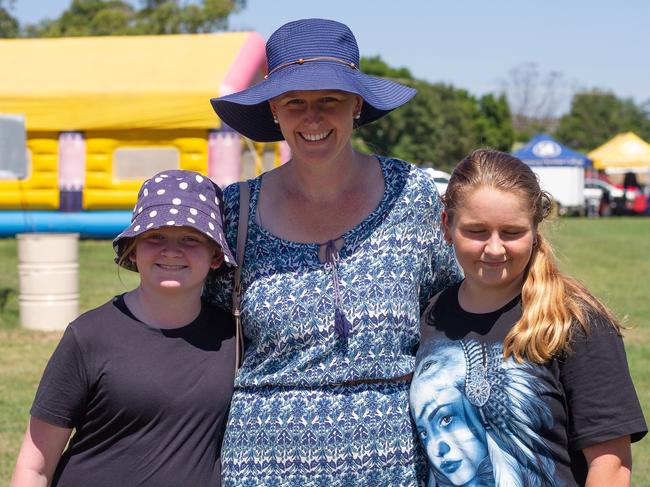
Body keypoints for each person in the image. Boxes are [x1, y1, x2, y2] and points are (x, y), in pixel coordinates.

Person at [204, 18, 462, 485]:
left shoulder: (412, 195)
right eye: (295, 102)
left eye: (330, 100)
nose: (313, 118)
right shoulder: (235, 211)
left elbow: (455, 312)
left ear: (356, 105)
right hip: (265, 465)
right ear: (274, 111)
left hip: (397, 465)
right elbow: (193, 330)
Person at [410, 149, 647, 486]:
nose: (494, 249)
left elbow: (611, 467)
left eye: (511, 232)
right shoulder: (429, 315)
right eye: (477, 231)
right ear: (447, 226)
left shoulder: (574, 322)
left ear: (535, 230)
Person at [11, 170, 238, 487]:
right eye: (155, 236)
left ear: (215, 256)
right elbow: (34, 466)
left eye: (190, 238)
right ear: (134, 249)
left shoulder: (234, 338)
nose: (171, 250)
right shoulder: (89, 336)